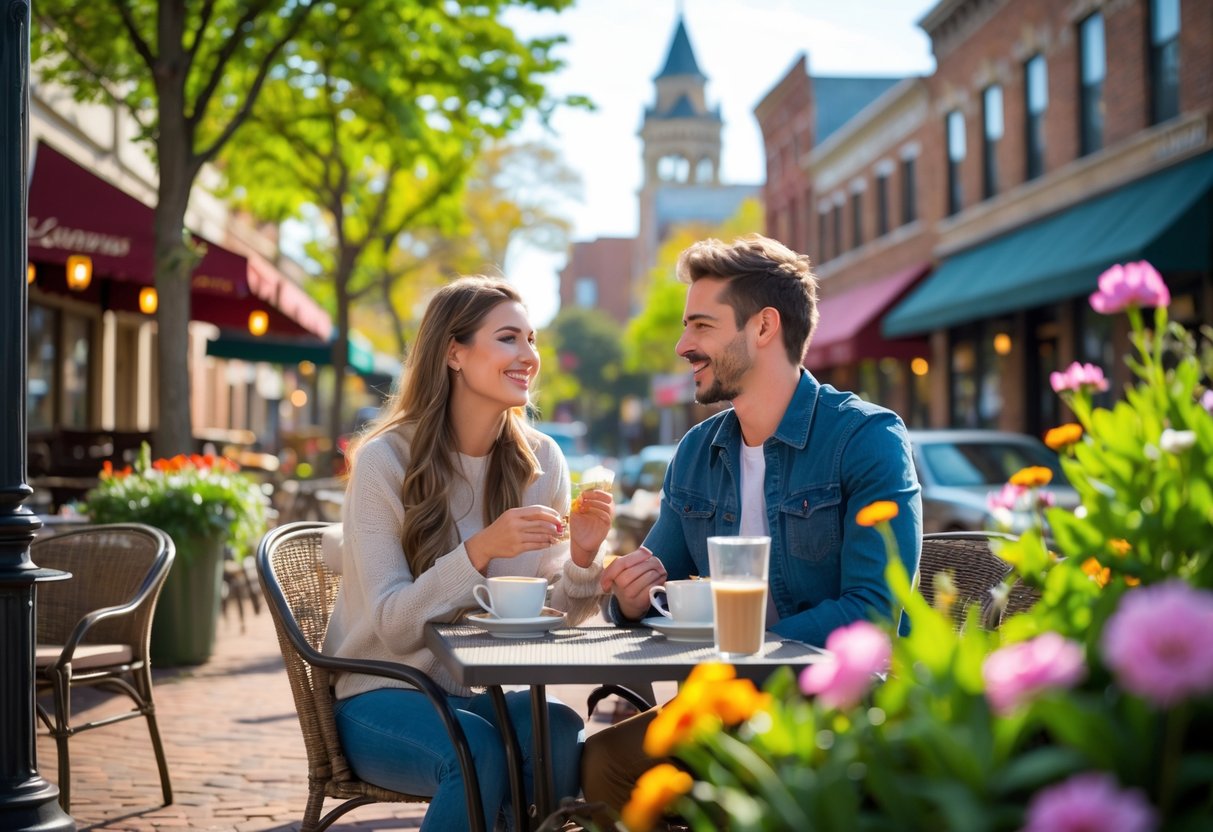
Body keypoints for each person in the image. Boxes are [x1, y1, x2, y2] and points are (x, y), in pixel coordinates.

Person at [581, 234, 922, 817]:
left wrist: (746, 652)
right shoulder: (695, 452)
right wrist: (632, 599)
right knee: (600, 762)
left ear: (764, 328)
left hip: (842, 713)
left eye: (701, 326)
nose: (683, 344)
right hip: (726, 707)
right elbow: (659, 581)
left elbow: (874, 610)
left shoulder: (865, 440)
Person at [322, 276, 614, 831]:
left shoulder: (543, 462)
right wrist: (479, 550)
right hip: (379, 693)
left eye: (532, 340)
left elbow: (554, 615)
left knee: (558, 733)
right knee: (474, 751)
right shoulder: (385, 461)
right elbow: (394, 626)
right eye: (509, 338)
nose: (529, 356)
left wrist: (581, 562)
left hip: (477, 696)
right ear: (454, 352)